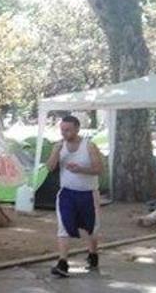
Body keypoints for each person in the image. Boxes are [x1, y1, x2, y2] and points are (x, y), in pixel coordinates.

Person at [46, 115, 104, 277]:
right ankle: (63, 262)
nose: (64, 133)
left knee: (91, 228)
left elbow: (99, 169)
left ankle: (93, 253)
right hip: (67, 193)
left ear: (77, 129)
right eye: (62, 130)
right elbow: (50, 168)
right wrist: (56, 152)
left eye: (68, 130)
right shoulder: (59, 146)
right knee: (63, 226)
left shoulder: (89, 146)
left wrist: (81, 169)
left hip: (88, 193)